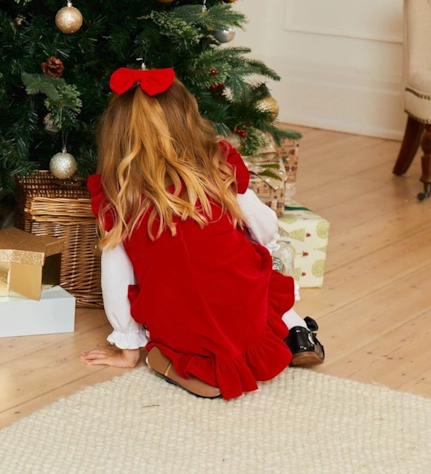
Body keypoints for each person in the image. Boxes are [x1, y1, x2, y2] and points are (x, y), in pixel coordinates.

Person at [79, 67, 324, 400]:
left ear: (113, 136)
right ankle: (294, 332)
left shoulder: (119, 200)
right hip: (243, 314)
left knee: (172, 303)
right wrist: (262, 248)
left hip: (181, 323)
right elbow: (264, 223)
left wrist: (128, 345)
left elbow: (117, 279)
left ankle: (170, 363)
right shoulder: (218, 166)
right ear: (188, 121)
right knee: (253, 270)